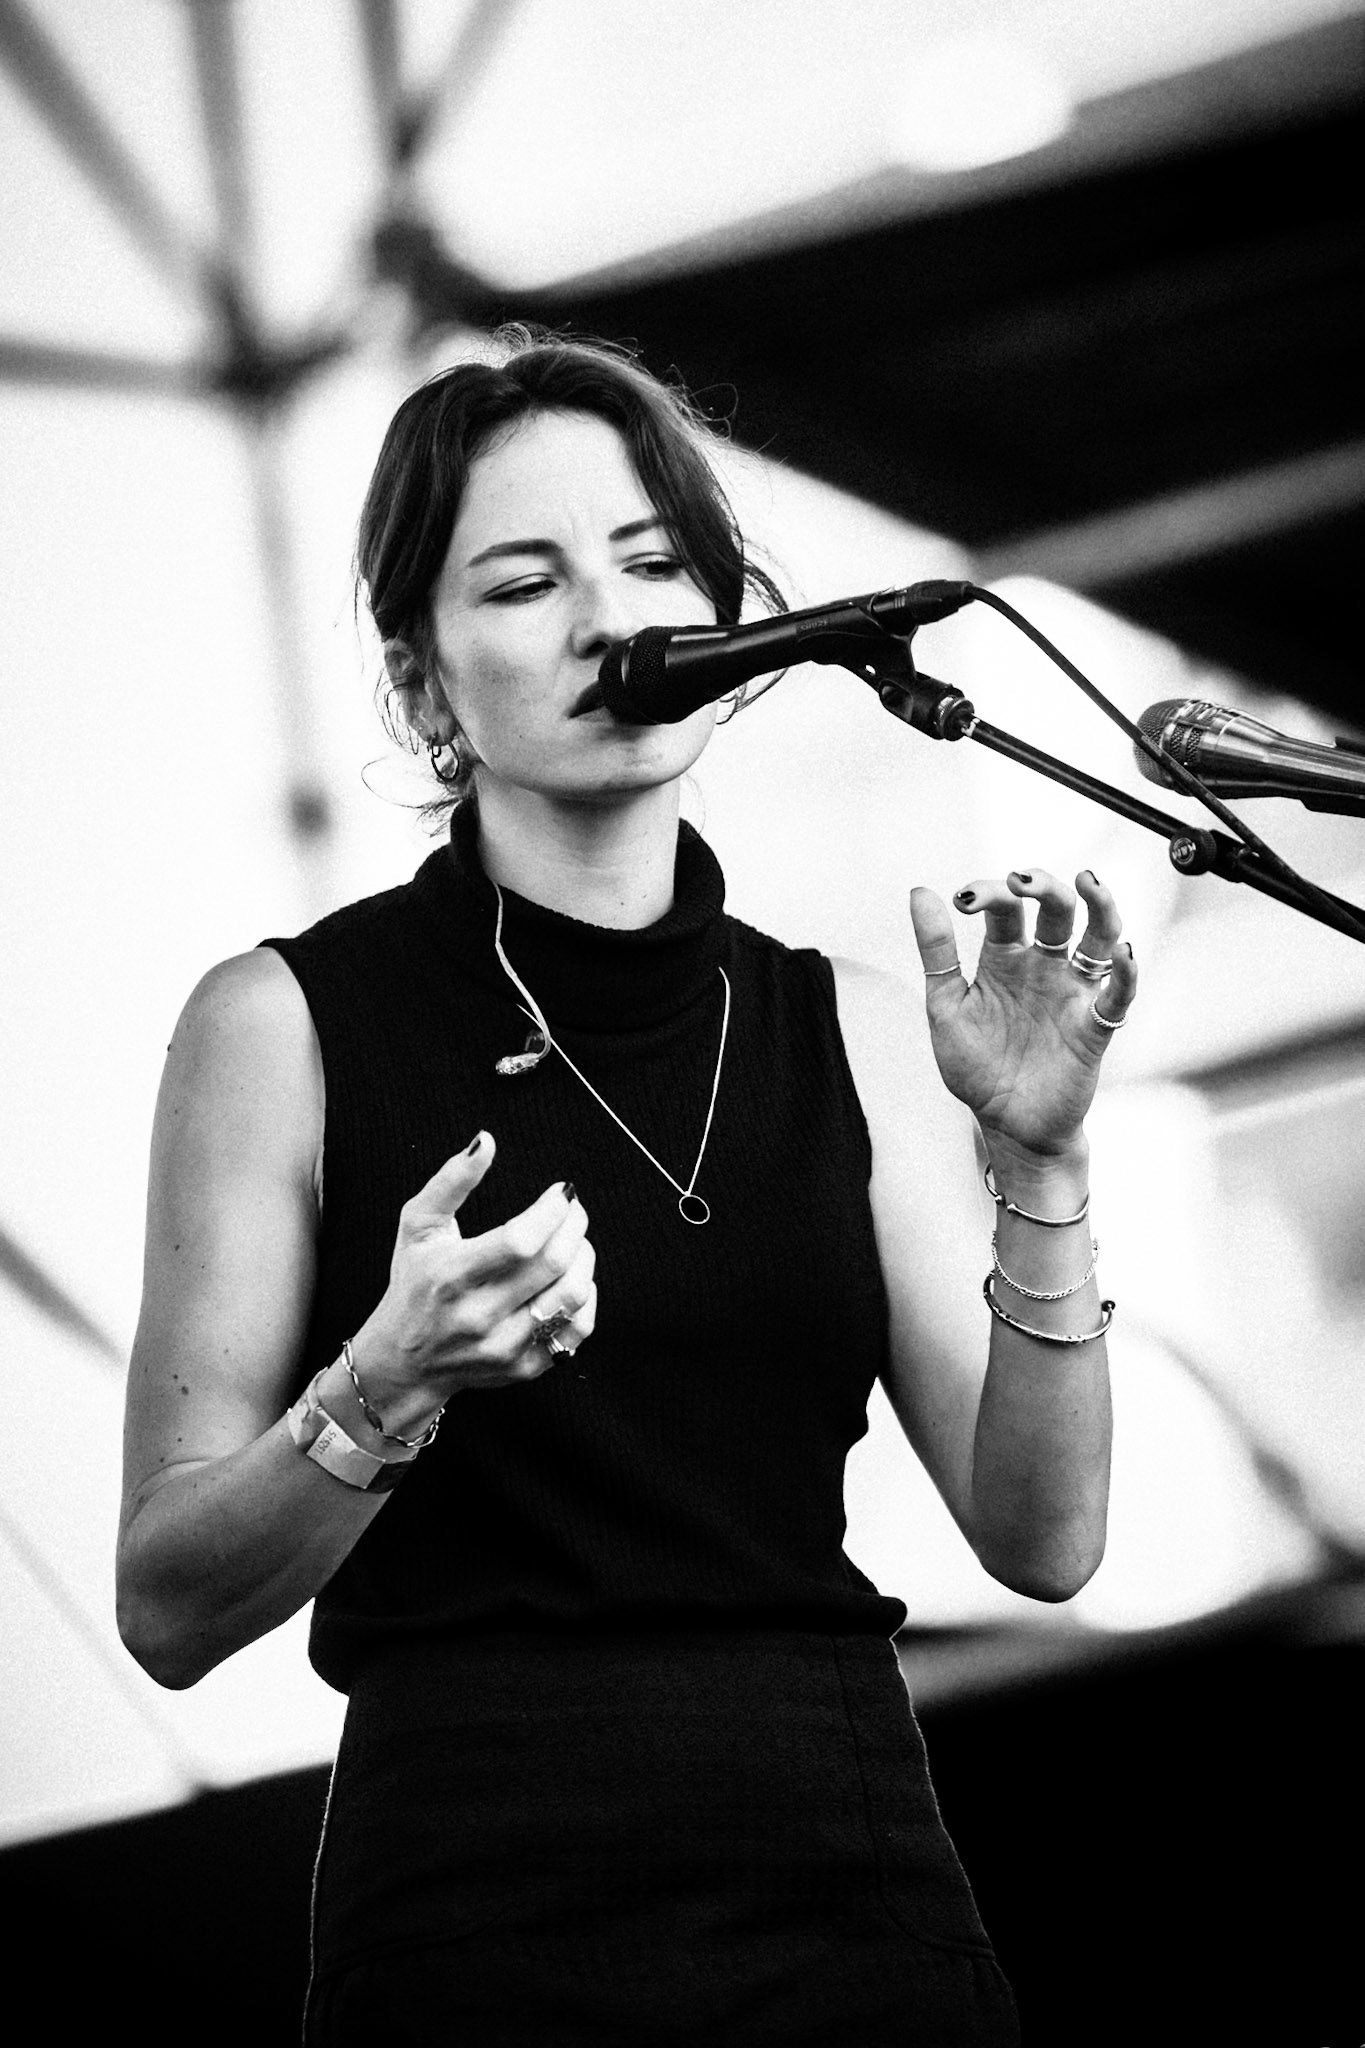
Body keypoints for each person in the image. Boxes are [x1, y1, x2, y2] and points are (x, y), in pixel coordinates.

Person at [117, 329, 1136, 2046]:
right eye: (524, 582)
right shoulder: (283, 1025)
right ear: (427, 688)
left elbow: (1044, 1539)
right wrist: (378, 1391)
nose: (609, 619)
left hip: (848, 1885)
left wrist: (1041, 1160)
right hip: (470, 1917)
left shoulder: (856, 1032)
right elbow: (163, 1603)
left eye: (653, 564)